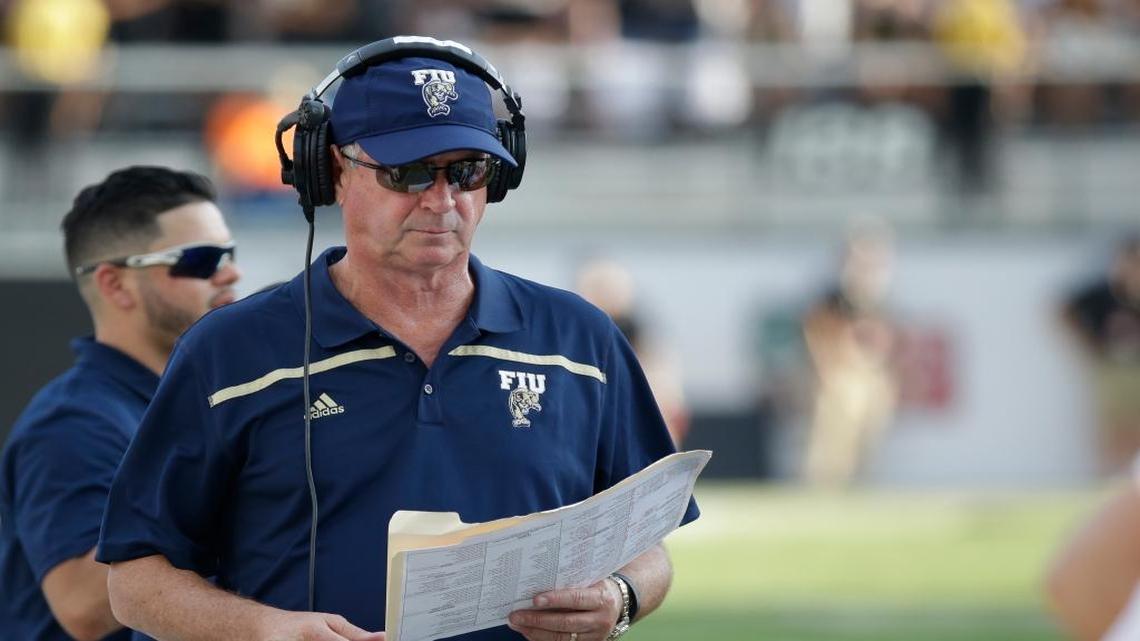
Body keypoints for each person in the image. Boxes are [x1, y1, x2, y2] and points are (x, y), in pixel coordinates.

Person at [97, 39, 697, 641]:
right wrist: (266, 631)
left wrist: (620, 597)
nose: (442, 200)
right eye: (406, 173)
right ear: (330, 171)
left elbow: (649, 548)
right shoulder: (227, 352)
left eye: (467, 171)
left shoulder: (580, 341)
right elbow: (135, 581)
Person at [0, 166, 241, 641]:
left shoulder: (194, 404)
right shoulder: (71, 423)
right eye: (199, 259)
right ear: (114, 284)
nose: (231, 272)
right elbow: (85, 607)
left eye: (228, 254)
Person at [802, 220, 899, 486]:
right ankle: (825, 488)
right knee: (833, 445)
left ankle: (862, 486)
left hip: (871, 375)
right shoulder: (836, 296)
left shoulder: (877, 297)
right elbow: (817, 329)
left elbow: (885, 340)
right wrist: (826, 366)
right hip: (841, 375)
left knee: (869, 441)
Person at [1060, 235, 1140, 476]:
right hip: (1112, 369)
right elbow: (1064, 311)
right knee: (1114, 428)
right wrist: (1089, 347)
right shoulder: (1102, 293)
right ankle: (1111, 479)